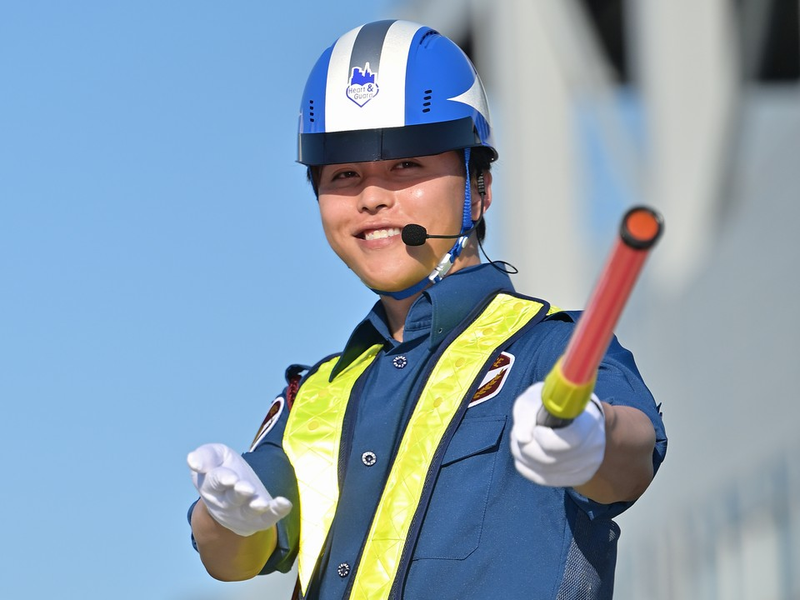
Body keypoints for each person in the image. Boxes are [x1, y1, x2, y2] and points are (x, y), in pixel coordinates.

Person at [187, 19, 667, 600]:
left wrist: (594, 435)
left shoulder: (553, 350)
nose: (371, 197)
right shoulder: (315, 395)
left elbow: (631, 459)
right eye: (344, 174)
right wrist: (221, 518)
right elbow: (235, 559)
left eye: (405, 165)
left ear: (478, 187)